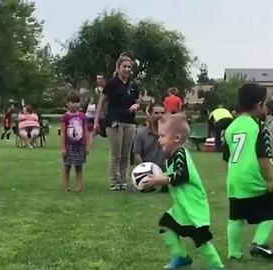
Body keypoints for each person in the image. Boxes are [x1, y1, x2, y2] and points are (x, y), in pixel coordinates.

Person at [142, 113, 224, 270]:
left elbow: (181, 176)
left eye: (162, 136)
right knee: (165, 225)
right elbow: (173, 177)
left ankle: (217, 266)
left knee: (200, 239)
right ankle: (180, 256)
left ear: (177, 138)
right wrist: (157, 179)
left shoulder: (181, 154)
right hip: (182, 206)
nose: (159, 140)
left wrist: (160, 180)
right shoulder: (171, 157)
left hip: (193, 206)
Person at [223, 83, 273, 261]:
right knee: (269, 213)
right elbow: (263, 156)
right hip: (253, 177)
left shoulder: (231, 127)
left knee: (236, 217)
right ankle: (259, 242)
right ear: (259, 105)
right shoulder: (259, 126)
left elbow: (227, 156)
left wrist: (232, 175)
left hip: (235, 178)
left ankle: (234, 252)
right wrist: (270, 180)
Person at [93, 54, 140, 191]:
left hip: (130, 122)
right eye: (124, 66)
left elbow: (137, 102)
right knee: (116, 154)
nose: (126, 69)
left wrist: (137, 106)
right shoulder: (111, 84)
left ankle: (123, 182)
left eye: (129, 67)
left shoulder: (133, 85)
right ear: (118, 68)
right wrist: (96, 122)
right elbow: (101, 103)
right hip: (114, 122)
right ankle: (114, 182)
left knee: (126, 155)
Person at [61, 91, 89, 192]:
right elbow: (63, 133)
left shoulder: (83, 117)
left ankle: (79, 186)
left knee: (79, 167)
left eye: (77, 102)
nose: (75, 104)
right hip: (69, 145)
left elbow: (86, 132)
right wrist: (63, 147)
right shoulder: (65, 117)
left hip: (80, 145)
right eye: (72, 102)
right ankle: (66, 186)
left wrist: (87, 146)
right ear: (67, 103)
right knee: (67, 166)